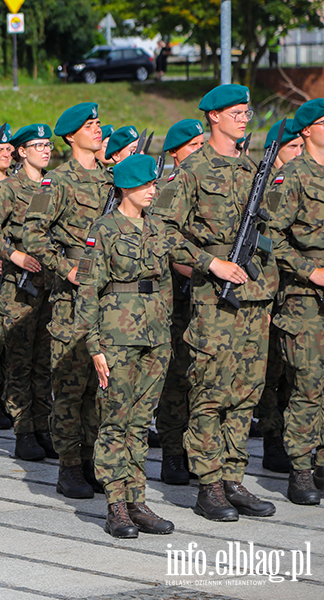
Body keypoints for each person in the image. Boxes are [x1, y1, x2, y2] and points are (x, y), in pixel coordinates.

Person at [150, 84, 277, 522]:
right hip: (216, 301)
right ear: (214, 118)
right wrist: (211, 263)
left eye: (247, 111)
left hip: (256, 300)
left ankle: (232, 478)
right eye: (236, 112)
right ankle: (208, 485)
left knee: (245, 394)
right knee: (210, 394)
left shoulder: (251, 168)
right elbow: (161, 230)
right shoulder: (193, 170)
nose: (244, 118)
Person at [76, 153, 175, 538]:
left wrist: (165, 324)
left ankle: (137, 499)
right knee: (115, 421)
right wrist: (94, 344)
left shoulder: (156, 228)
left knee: (139, 421)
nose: (154, 190)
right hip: (116, 336)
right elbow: (87, 290)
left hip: (155, 336)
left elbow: (164, 281)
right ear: (126, 187)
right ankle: (115, 503)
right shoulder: (104, 229)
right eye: (147, 185)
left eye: (154, 184)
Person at [21, 102, 110, 499]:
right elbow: (33, 235)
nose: (97, 129)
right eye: (89, 125)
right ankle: (69, 466)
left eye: (97, 123)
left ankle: (91, 459)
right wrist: (64, 267)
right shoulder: (55, 183)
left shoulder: (111, 180)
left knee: (99, 387)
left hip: (108, 296)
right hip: (73, 299)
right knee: (72, 386)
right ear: (71, 136)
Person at [267, 99, 324, 505]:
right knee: (306, 385)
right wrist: (310, 271)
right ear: (306, 131)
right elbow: (270, 235)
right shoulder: (293, 176)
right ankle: (300, 470)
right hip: (305, 297)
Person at [0, 124, 54, 461]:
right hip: (19, 290)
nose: (45, 150)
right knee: (19, 364)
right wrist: (13, 254)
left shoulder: (52, 185)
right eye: (37, 145)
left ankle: (43, 425)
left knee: (43, 362)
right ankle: (23, 431)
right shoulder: (10, 189)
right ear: (21, 151)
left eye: (48, 145)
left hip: (49, 287)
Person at [155, 118, 206, 486]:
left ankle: (197, 450)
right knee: (176, 377)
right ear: (175, 153)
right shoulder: (168, 187)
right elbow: (163, 242)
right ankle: (173, 453)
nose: (199, 152)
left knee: (202, 377)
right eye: (192, 146)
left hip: (208, 293)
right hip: (177, 294)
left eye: (202, 144)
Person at [255, 118, 305, 475]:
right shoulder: (273, 185)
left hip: (298, 290)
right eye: (292, 148)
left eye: (301, 147)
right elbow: (267, 239)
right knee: (273, 371)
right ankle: (273, 439)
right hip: (274, 288)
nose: (298, 154)